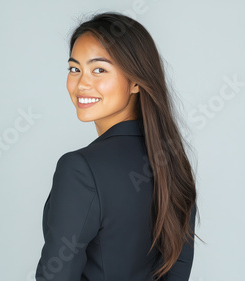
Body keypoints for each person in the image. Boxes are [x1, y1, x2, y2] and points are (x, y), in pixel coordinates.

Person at [35, 12, 203, 281]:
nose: (82, 83)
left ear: (136, 81)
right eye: (74, 69)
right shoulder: (173, 164)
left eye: (99, 69)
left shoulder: (79, 169)